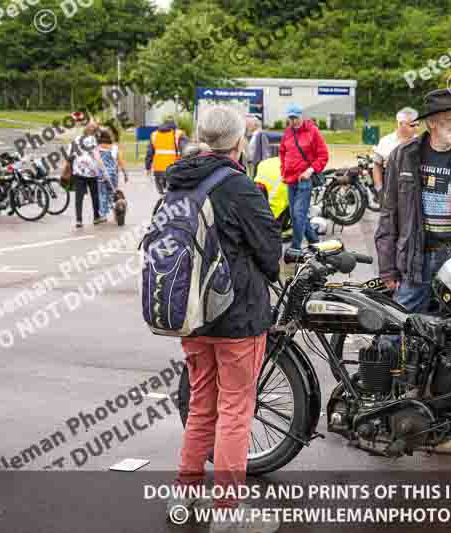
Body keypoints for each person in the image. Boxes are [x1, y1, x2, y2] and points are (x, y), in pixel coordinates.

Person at [164, 105, 282, 533]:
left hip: (191, 315)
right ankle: (228, 512)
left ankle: (186, 495)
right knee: (235, 411)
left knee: (201, 406)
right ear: (238, 142)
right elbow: (270, 251)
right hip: (238, 316)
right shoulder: (239, 187)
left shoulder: (177, 181)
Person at [375, 89, 451, 313]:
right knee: (398, 326)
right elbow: (389, 213)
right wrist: (387, 268)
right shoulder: (402, 156)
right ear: (432, 123)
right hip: (416, 258)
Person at [279, 103, 329, 250]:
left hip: (304, 180)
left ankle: (295, 248)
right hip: (290, 179)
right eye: (290, 118)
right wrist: (283, 170)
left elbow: (323, 155)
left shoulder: (312, 131)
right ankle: (315, 242)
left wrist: (310, 170)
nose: (293, 121)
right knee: (297, 215)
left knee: (298, 213)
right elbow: (282, 152)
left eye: (295, 117)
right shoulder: (288, 132)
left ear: (301, 116)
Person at [372, 107, 419, 196]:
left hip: (413, 194)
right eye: (412, 125)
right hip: (390, 193)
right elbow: (377, 166)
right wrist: (380, 190)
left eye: (418, 125)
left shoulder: (420, 142)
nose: (416, 128)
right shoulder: (385, 141)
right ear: (401, 124)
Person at [70, 123, 107, 228]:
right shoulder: (93, 140)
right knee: (95, 195)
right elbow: (97, 156)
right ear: (94, 132)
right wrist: (103, 170)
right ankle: (96, 217)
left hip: (78, 171)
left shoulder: (76, 139)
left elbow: (70, 154)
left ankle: (79, 220)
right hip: (92, 172)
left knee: (79, 197)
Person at [145, 115, 188, 194]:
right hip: (174, 168)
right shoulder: (179, 134)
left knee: (162, 194)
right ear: (175, 125)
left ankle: (163, 202)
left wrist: (148, 167)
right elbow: (186, 151)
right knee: (174, 193)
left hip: (158, 169)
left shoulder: (154, 135)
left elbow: (149, 153)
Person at [95, 128, 129, 219]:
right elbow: (120, 162)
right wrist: (125, 173)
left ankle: (103, 214)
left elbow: (96, 162)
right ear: (110, 137)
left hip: (101, 175)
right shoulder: (114, 148)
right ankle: (116, 210)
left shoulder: (97, 148)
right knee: (112, 193)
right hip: (113, 175)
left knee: (102, 194)